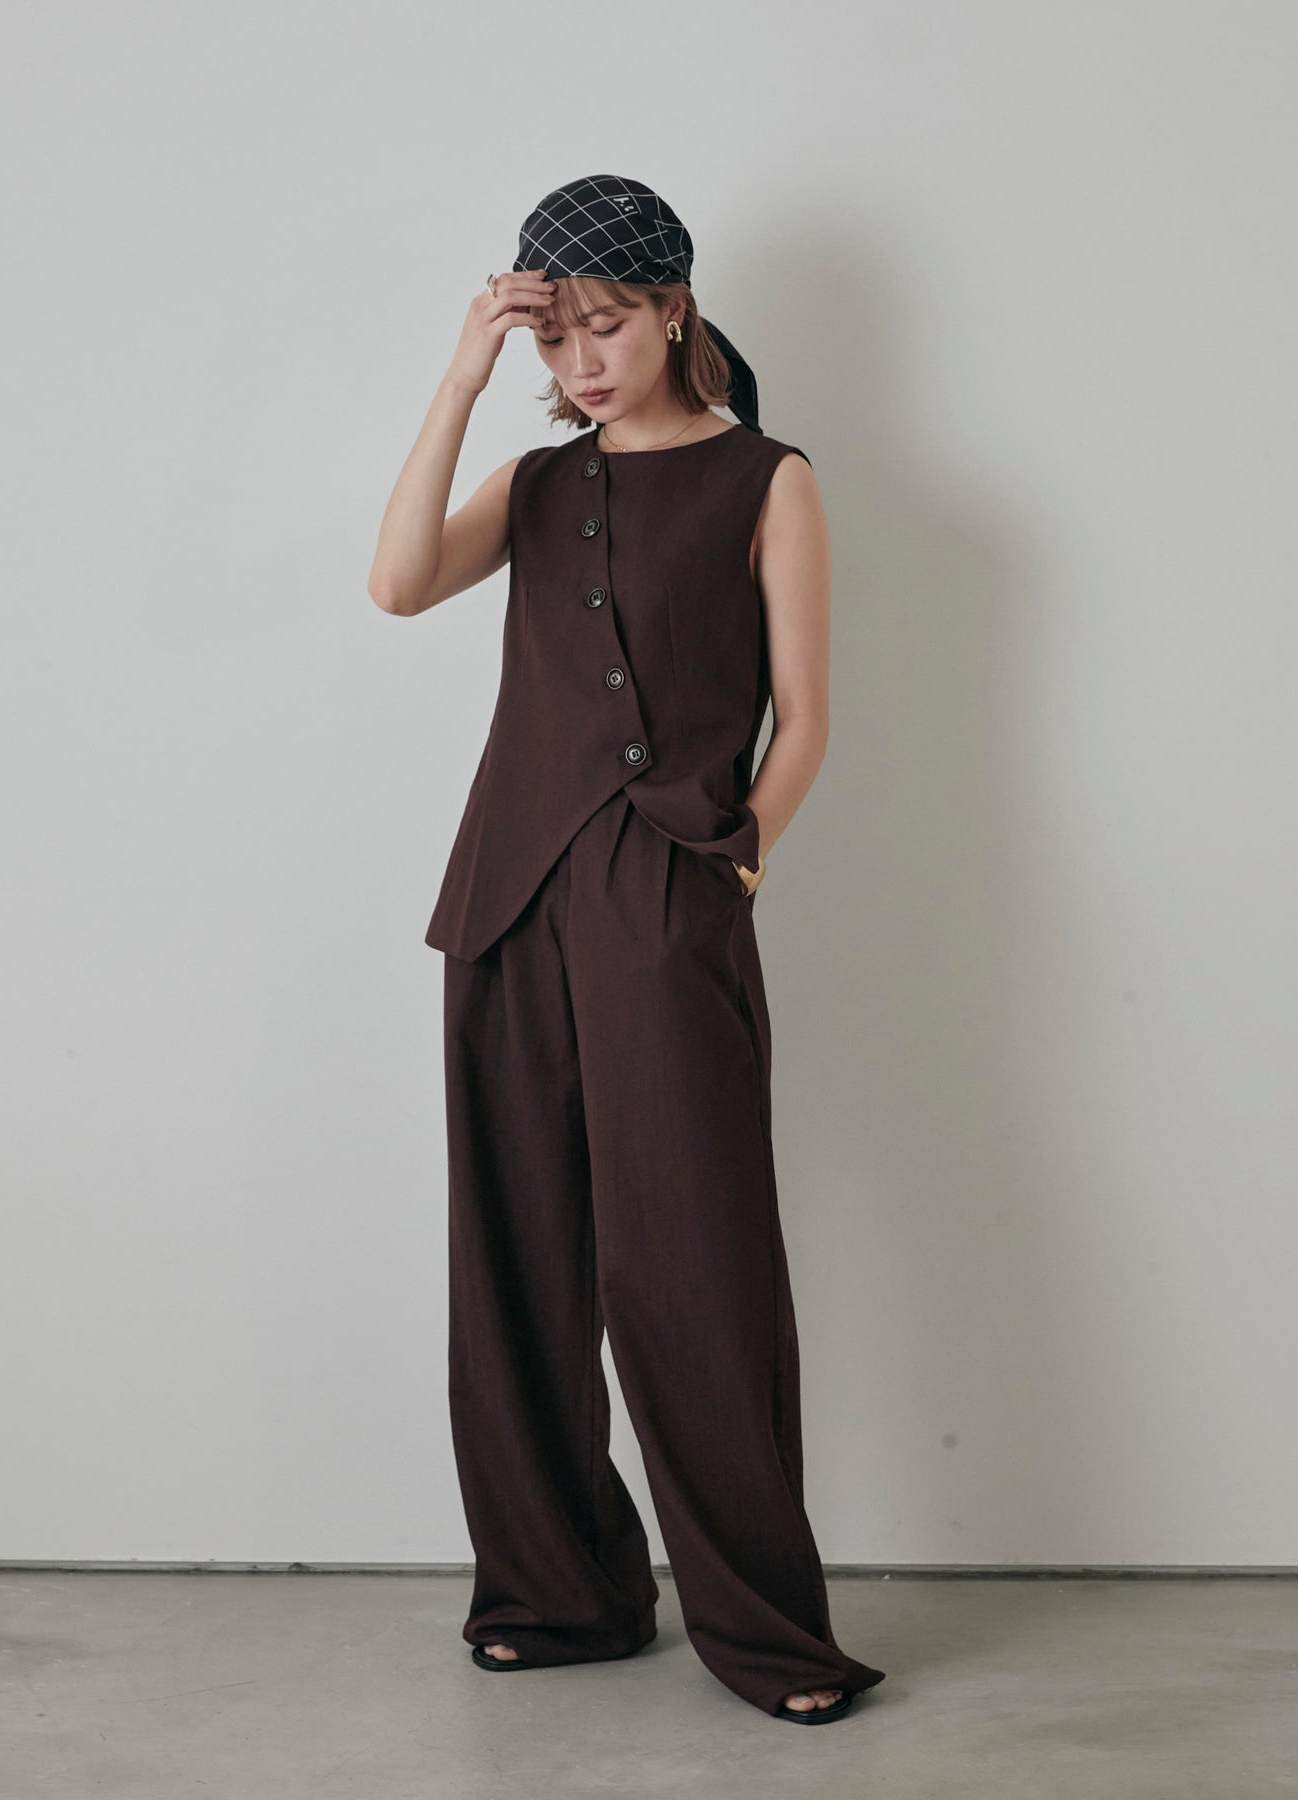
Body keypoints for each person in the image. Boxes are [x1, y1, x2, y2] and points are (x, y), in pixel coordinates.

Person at [367, 175, 886, 1725]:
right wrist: (462, 374)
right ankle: (558, 1593)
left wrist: (732, 866)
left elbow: (805, 716)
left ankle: (765, 1631)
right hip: (505, 902)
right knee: (516, 1262)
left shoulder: (766, 479)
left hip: (664, 898)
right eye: (556, 337)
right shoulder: (534, 484)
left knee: (693, 1267)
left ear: (674, 309)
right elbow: (396, 584)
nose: (581, 361)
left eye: (606, 325)